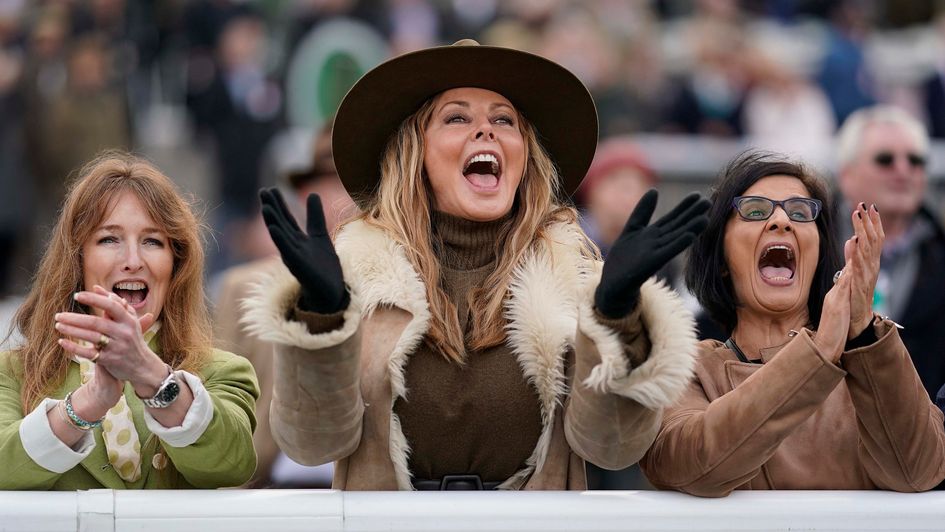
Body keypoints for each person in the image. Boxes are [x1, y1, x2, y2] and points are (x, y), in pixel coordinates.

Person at [243, 39, 710, 490]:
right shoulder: (356, 277)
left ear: (525, 156)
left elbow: (613, 448)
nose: (486, 131)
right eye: (456, 117)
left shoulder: (573, 278)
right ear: (415, 153)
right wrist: (323, 318)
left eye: (504, 120)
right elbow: (312, 445)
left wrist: (618, 317)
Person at [640, 151, 945, 496]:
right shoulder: (686, 368)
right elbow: (689, 464)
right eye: (756, 211)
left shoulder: (868, 365)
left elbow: (918, 472)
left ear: (818, 256)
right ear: (721, 260)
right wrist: (816, 352)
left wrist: (861, 330)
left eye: (800, 212)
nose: (782, 220)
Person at [0, 152, 258, 489]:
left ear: (175, 264)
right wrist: (89, 403)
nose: (133, 261)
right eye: (109, 239)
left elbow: (233, 465)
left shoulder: (222, 371)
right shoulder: (13, 373)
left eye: (152, 241)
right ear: (78, 259)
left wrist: (152, 377)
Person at [214, 119, 353, 488]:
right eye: (334, 182)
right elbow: (218, 403)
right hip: (266, 490)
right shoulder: (244, 287)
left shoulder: (400, 287)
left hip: (365, 493)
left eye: (358, 184)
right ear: (306, 193)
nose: (349, 198)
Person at [834, 105, 945, 400]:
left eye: (915, 161)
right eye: (885, 160)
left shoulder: (939, 250)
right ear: (847, 175)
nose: (903, 170)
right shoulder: (809, 245)